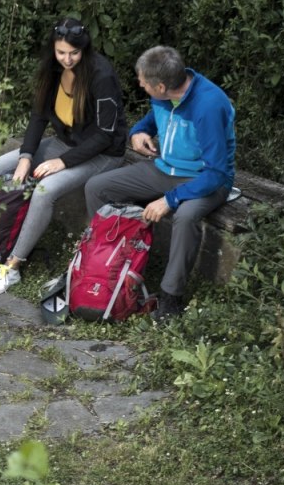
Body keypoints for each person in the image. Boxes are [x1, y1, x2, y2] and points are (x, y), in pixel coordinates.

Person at [0, 18, 129, 295]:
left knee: (44, 191)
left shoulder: (102, 76)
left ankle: (12, 267)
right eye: (62, 52)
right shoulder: (51, 69)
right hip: (67, 144)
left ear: (84, 49)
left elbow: (105, 136)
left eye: (74, 53)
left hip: (103, 153)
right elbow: (38, 117)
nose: (68, 59)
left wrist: (62, 162)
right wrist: (27, 155)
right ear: (54, 50)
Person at [83, 45, 236, 322]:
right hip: (164, 169)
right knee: (97, 187)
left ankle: (170, 297)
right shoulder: (165, 97)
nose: (140, 84)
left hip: (204, 179)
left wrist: (170, 200)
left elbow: (216, 172)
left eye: (143, 81)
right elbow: (151, 121)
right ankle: (110, 264)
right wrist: (139, 132)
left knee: (186, 216)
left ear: (162, 86)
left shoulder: (209, 105)